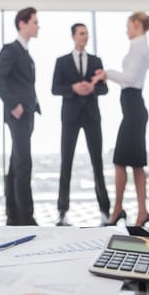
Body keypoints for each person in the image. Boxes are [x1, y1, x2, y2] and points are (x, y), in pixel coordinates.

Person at [92, 12, 149, 227]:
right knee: (135, 164)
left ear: (136, 24)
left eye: (128, 25)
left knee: (120, 161)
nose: (126, 30)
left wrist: (107, 73)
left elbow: (130, 78)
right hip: (134, 109)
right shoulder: (140, 45)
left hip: (133, 109)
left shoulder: (139, 44)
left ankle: (118, 210)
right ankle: (141, 211)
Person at [52, 23, 110, 226]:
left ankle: (105, 210)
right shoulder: (62, 61)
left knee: (97, 164)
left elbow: (104, 89)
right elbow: (55, 88)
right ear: (73, 36)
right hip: (70, 117)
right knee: (66, 163)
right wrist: (74, 87)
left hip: (92, 116)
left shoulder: (96, 60)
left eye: (87, 33)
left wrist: (91, 89)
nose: (86, 36)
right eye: (82, 33)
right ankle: (62, 211)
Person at [0, 7, 41, 226]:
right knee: (23, 164)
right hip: (18, 114)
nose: (37, 26)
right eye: (35, 22)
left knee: (16, 164)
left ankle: (13, 215)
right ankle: (27, 217)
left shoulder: (25, 52)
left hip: (28, 113)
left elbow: (25, 83)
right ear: (22, 23)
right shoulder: (11, 50)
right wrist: (14, 105)